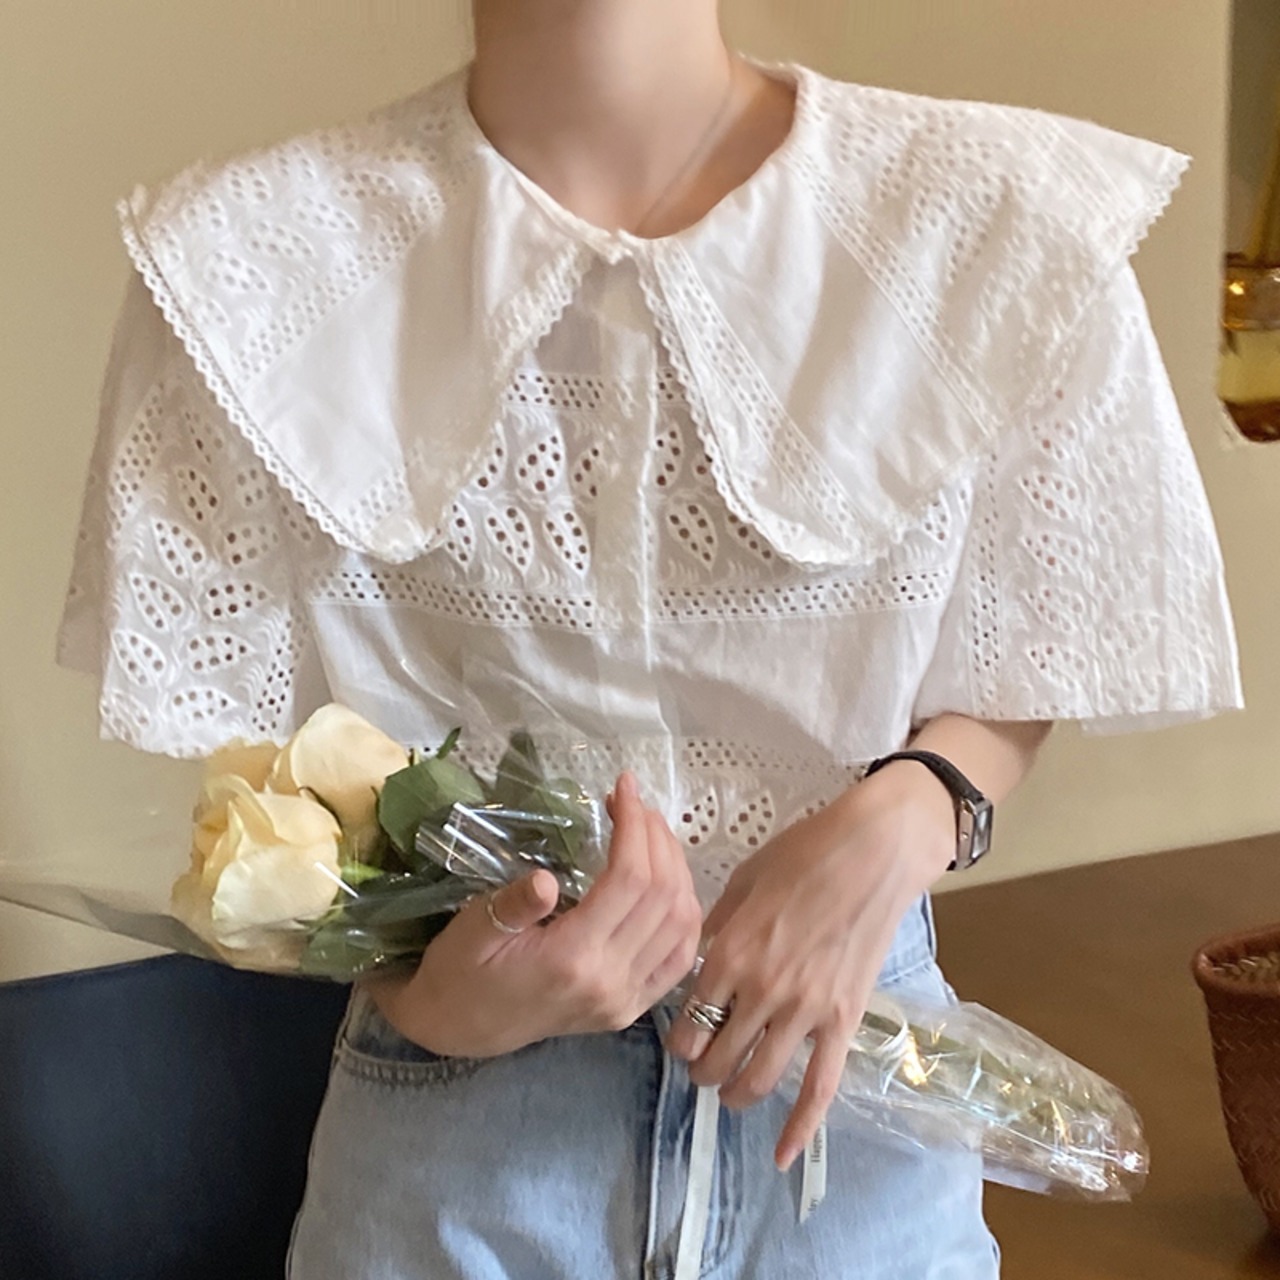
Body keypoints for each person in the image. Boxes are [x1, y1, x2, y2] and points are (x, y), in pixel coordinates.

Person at [58, 1, 1242, 1276]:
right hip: (460, 1136)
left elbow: (1037, 630)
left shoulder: (988, 218)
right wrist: (421, 990)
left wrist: (908, 809)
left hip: (845, 1100)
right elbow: (280, 782)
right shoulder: (251, 261)